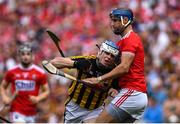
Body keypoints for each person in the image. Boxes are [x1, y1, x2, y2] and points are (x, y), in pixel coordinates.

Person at [83, 8, 148, 123]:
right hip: (134, 94)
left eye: (116, 20)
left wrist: (99, 79)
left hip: (132, 92)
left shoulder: (130, 39)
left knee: (96, 123)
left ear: (126, 20)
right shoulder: (121, 42)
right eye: (111, 21)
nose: (112, 24)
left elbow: (124, 67)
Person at [44, 40, 120, 123]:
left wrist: (113, 91)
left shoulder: (116, 71)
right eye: (106, 53)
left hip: (95, 109)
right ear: (100, 52)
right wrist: (76, 64)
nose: (109, 57)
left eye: (112, 56)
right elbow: (53, 63)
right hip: (74, 107)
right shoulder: (87, 60)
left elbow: (116, 89)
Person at [0, 43, 50, 123]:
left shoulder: (40, 73)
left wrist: (38, 98)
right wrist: (5, 97)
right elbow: (2, 86)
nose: (25, 56)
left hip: (32, 112)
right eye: (22, 54)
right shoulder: (12, 71)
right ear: (19, 56)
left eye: (28, 54)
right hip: (16, 110)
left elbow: (47, 91)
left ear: (32, 56)